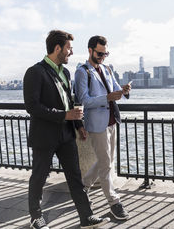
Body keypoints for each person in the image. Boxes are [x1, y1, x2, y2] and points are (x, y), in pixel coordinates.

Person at [23, 30, 110, 229]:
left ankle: (86, 217)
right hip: (44, 136)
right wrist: (64, 115)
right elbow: (32, 107)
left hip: (66, 134)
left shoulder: (66, 72)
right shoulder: (35, 72)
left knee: (75, 177)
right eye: (69, 48)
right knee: (39, 177)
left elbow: (69, 102)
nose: (71, 53)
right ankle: (36, 217)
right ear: (57, 48)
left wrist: (78, 125)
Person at [74, 35, 131, 220]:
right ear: (90, 50)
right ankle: (114, 203)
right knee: (106, 164)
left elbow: (115, 90)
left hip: (112, 120)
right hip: (97, 124)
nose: (103, 57)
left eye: (105, 53)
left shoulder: (106, 69)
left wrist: (123, 90)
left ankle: (83, 187)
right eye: (100, 53)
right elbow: (84, 100)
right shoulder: (83, 72)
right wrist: (107, 97)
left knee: (106, 161)